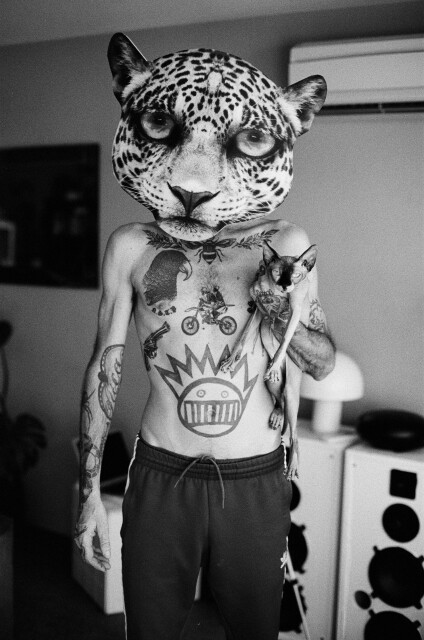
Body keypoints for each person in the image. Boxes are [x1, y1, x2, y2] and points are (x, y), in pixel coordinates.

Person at [74, 32, 335, 640]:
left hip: (256, 476)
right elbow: (103, 366)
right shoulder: (130, 245)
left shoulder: (286, 243)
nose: (194, 182)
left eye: (248, 138)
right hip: (161, 473)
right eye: (164, 125)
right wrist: (87, 494)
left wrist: (277, 309)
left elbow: (322, 362)